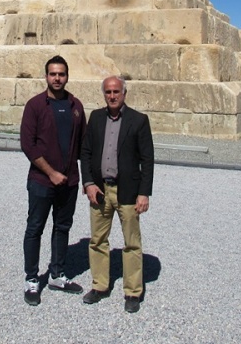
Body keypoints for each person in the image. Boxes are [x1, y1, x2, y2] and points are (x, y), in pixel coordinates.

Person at [80, 76, 154, 314]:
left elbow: (147, 160)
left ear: (124, 93)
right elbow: (87, 151)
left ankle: (133, 291)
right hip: (100, 189)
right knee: (97, 240)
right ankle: (99, 285)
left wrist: (144, 193)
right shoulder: (96, 117)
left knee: (132, 243)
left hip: (128, 191)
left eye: (116, 92)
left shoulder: (139, 120)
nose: (112, 96)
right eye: (108, 92)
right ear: (104, 94)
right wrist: (89, 182)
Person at [20, 55, 86, 306]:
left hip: (68, 181)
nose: (57, 78)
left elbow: (83, 145)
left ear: (67, 76)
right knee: (35, 227)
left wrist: (86, 179)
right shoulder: (35, 105)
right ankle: (32, 278)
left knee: (62, 227)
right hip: (41, 180)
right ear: (46, 76)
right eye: (53, 74)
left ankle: (57, 274)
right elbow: (28, 144)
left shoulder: (76, 106)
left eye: (61, 74)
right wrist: (51, 172)